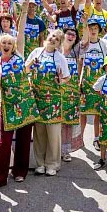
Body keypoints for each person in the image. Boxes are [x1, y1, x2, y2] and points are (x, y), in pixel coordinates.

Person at [0, 33, 40, 191]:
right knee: (5, 143)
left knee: (24, 140)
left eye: (9, 43)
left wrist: (23, 9)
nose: (6, 45)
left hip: (26, 104)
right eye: (3, 42)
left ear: (13, 47)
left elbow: (25, 69)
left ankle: (20, 171)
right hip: (9, 107)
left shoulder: (19, 57)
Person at [26, 30, 70, 176]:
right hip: (37, 98)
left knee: (53, 134)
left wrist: (60, 81)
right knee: (39, 133)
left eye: (56, 39)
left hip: (53, 101)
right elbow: (25, 69)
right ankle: (40, 163)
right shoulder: (37, 52)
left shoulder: (60, 58)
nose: (53, 39)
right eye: (52, 36)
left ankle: (52, 164)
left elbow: (66, 77)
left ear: (59, 44)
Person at [79, 17, 107, 149]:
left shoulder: (103, 43)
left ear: (99, 30)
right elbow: (80, 62)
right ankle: (79, 138)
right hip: (86, 83)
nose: (93, 30)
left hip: (99, 84)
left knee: (98, 113)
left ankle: (96, 138)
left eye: (95, 28)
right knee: (84, 113)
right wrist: (78, 81)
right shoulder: (84, 44)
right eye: (90, 28)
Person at [60, 26, 83, 161]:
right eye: (69, 34)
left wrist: (84, 23)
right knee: (58, 123)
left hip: (72, 93)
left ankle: (65, 150)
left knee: (68, 123)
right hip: (58, 92)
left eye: (74, 35)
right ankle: (55, 149)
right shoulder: (56, 51)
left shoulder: (76, 51)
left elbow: (85, 39)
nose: (71, 36)